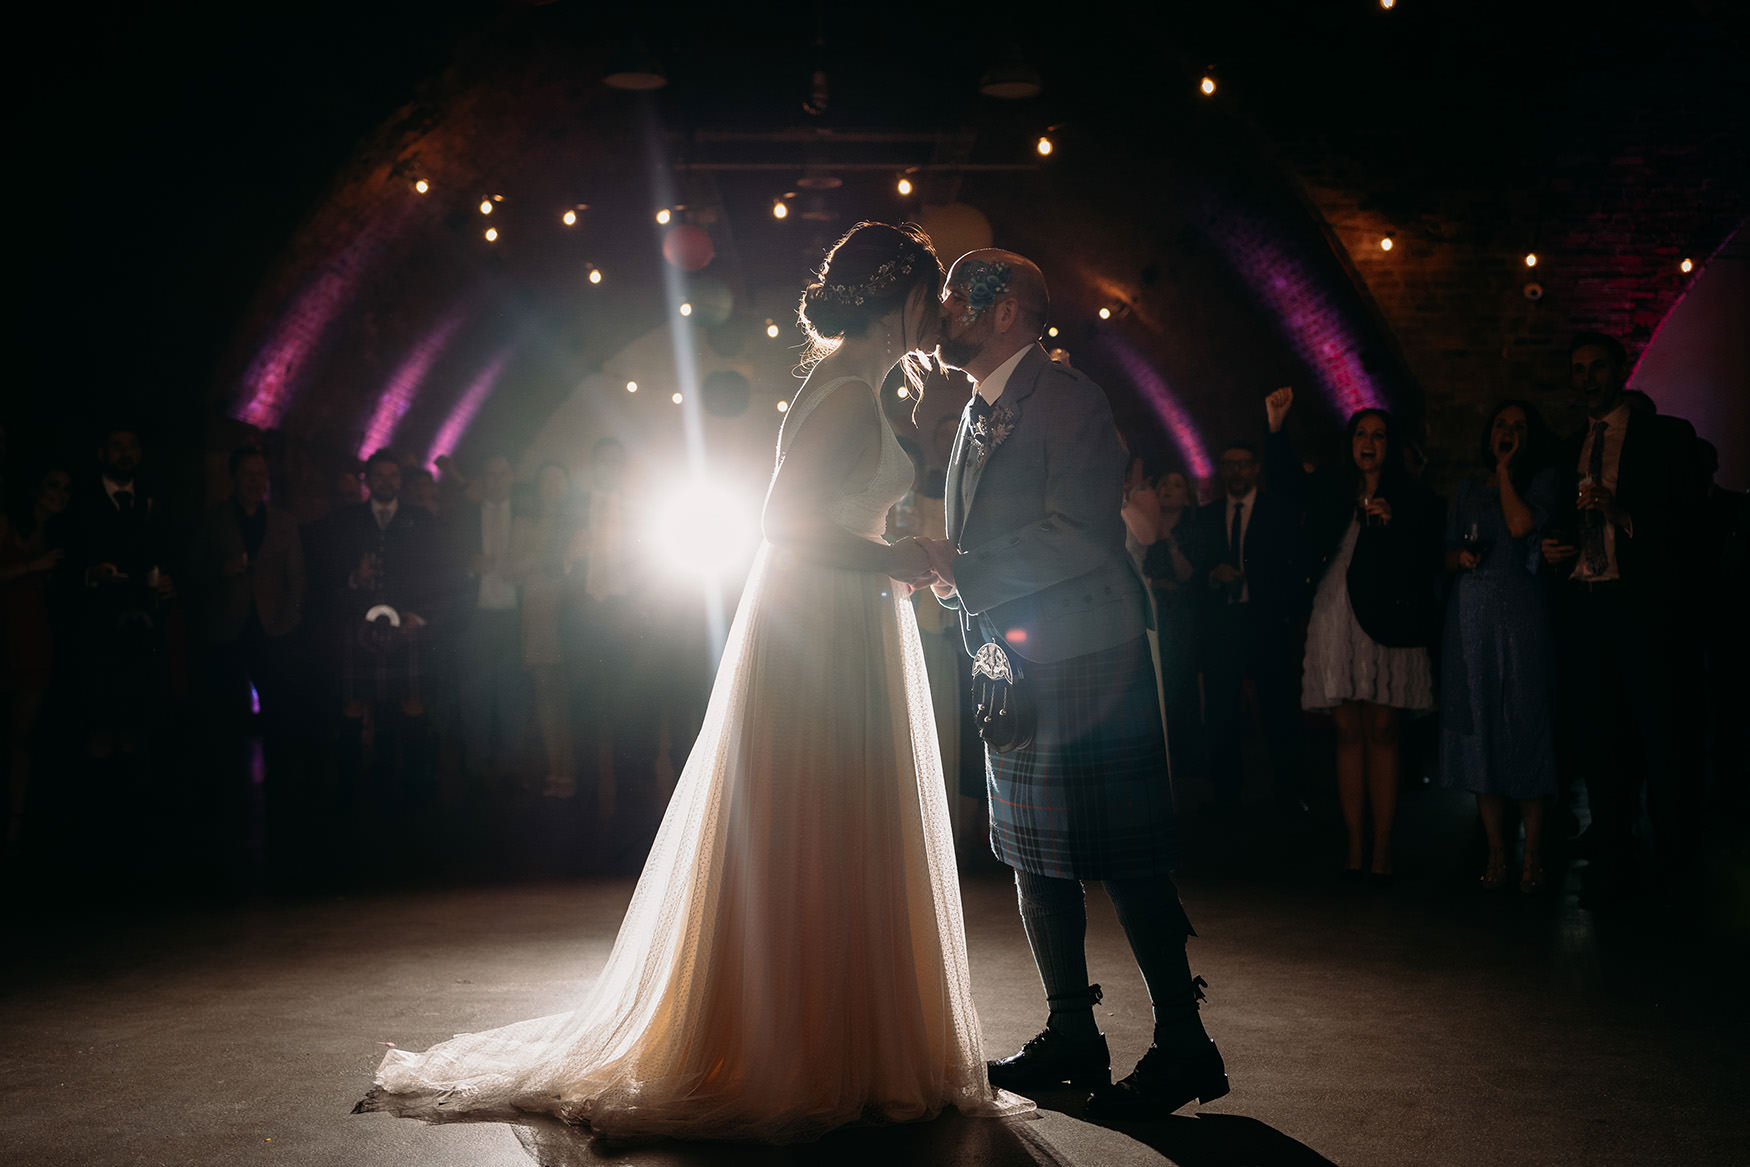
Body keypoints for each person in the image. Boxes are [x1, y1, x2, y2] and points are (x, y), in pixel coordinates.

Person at [362, 222, 1027, 1142]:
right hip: (820, 631)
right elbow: (781, 527)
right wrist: (898, 551)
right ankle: (795, 1043)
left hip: (852, 623)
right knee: (813, 818)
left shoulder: (866, 389)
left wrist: (898, 544)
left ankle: (854, 1039)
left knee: (848, 820)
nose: (941, 314)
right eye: (930, 295)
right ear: (902, 299)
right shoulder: (839, 394)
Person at [917, 249, 1227, 1121]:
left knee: (1127, 859)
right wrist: (955, 573)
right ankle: (1072, 1034)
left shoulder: (1069, 398)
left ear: (1007, 308)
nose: (944, 313)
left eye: (958, 298)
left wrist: (965, 569)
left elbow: (1080, 535)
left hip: (1088, 658)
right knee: (1027, 853)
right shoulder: (979, 406)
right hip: (1013, 660)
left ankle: (1182, 1042)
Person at [1540, 332, 1701, 905]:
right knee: (1598, 734)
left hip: (1640, 604)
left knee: (1658, 732)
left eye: (1597, 367)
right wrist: (1552, 552)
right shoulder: (1569, 448)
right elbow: (1558, 523)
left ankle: (1675, 862)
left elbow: (1688, 521)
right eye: (1578, 369)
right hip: (1585, 602)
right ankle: (1611, 855)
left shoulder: (1663, 437)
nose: (1587, 378)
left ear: (1618, 370)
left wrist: (1623, 512)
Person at [1266, 388, 1440, 880]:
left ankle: (1383, 848)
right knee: (1347, 732)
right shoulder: (1333, 488)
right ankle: (1354, 846)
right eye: (1361, 434)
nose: (1369, 442)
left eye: (1379, 435)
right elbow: (1282, 485)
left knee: (1383, 731)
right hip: (1335, 616)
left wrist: (1394, 525)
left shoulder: (1413, 497)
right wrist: (1276, 429)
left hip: (1389, 621)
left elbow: (1427, 559)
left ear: (1391, 444)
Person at [1438, 403, 1561, 892]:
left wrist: (1507, 472)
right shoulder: (1467, 489)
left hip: (1522, 613)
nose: (1507, 432)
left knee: (1526, 725)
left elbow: (1519, 527)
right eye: (1500, 426)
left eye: (1518, 426)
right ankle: (1495, 853)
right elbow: (1446, 552)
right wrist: (1458, 557)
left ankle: (1533, 854)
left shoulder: (1543, 481)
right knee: (1482, 730)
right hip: (1471, 616)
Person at [307, 450, 449, 808]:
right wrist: (354, 578)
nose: (387, 482)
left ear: (400, 481)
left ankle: (417, 785)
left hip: (407, 621)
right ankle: (349, 787)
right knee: (354, 702)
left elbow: (437, 575)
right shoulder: (344, 521)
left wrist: (423, 614)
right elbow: (327, 574)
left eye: (393, 475)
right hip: (359, 622)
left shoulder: (422, 521)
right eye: (379, 476)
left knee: (411, 700)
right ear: (366, 481)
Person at [1191, 438, 1305, 817]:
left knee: (1278, 708)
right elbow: (1196, 566)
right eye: (1229, 464)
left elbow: (1290, 566)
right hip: (1223, 624)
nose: (1236, 471)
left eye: (1243, 464)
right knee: (1222, 712)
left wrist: (1254, 581)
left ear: (1255, 469)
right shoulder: (1207, 515)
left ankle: (1288, 794)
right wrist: (1212, 575)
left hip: (1266, 622)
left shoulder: (1277, 512)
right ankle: (1227, 797)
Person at [195, 447, 305, 724]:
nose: (256, 481)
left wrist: (289, 621)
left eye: (261, 474)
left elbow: (297, 578)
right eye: (248, 474)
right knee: (227, 714)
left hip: (273, 629)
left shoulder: (285, 523)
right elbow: (195, 571)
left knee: (278, 711)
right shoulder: (213, 520)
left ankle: (277, 766)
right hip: (227, 629)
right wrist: (223, 569)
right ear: (233, 477)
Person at [450, 454, 530, 799]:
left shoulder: (526, 517)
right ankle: (477, 766)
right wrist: (469, 566)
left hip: (515, 616)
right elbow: (447, 559)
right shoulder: (464, 517)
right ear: (483, 479)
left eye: (502, 473)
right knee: (476, 695)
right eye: (490, 474)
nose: (496, 480)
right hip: (477, 616)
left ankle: (510, 766)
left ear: (510, 476)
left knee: (513, 694)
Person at [1, 464, 70, 847]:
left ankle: (15, 826)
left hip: (34, 642)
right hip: (6, 634)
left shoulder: (59, 539)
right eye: (53, 486)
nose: (59, 495)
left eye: (66, 490)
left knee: (22, 737)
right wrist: (33, 566)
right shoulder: (7, 525)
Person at [512, 461, 584, 800]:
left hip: (571, 613)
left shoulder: (578, 520)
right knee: (544, 693)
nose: (552, 487)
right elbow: (511, 568)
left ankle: (570, 769)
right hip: (538, 613)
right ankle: (556, 770)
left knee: (571, 695)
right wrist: (545, 559)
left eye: (559, 480)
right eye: (546, 481)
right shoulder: (526, 522)